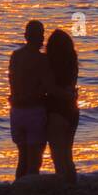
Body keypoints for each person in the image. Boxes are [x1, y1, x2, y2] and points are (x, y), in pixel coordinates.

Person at [9, 20, 53, 179]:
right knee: (34, 162)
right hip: (34, 111)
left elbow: (12, 82)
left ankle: (18, 191)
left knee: (22, 158)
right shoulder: (42, 60)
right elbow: (48, 87)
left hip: (16, 111)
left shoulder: (15, 56)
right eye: (41, 35)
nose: (43, 38)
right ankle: (29, 194)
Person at [45, 28, 79, 183]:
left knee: (58, 157)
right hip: (72, 110)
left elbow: (51, 89)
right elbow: (70, 87)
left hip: (56, 111)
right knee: (67, 154)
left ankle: (64, 190)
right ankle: (73, 185)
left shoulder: (50, 64)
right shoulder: (73, 62)